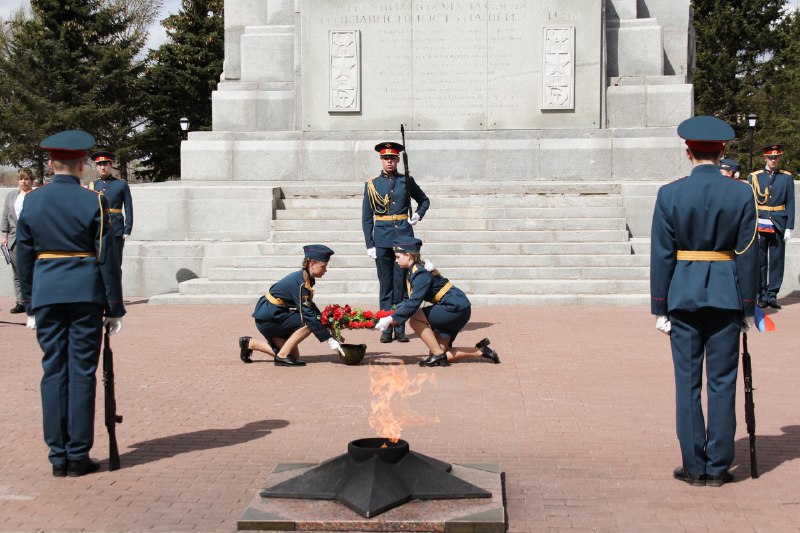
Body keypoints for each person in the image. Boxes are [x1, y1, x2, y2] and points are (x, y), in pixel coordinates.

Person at [650, 116, 758, 488]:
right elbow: (747, 253)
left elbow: (662, 255)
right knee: (722, 383)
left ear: (687, 151)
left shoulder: (670, 194)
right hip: (727, 296)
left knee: (688, 383)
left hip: (682, 296)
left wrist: (660, 307)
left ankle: (695, 465)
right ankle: (718, 468)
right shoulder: (742, 193)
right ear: (723, 150)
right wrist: (748, 306)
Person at [16, 130, 125, 477]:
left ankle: (57, 456)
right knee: (81, 372)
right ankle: (77, 455)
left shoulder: (31, 201)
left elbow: (25, 256)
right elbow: (106, 257)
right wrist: (114, 306)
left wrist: (30, 303)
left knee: (53, 372)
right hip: (85, 293)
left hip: (47, 293)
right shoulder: (92, 200)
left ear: (51, 164)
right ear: (82, 165)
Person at [374, 237, 500, 367]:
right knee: (440, 353)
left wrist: (392, 318)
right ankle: (481, 351)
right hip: (457, 308)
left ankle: (437, 355)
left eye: (398, 257)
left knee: (415, 318)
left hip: (454, 309)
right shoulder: (415, 270)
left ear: (408, 255)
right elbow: (408, 300)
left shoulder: (420, 274)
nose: (396, 260)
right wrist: (389, 314)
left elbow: (413, 303)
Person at [362, 142, 430, 344]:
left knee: (401, 284)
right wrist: (369, 243)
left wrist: (418, 214)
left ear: (398, 159)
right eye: (385, 158)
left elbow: (424, 200)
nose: (389, 161)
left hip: (403, 238)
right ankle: (385, 326)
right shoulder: (372, 184)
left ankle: (399, 326)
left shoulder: (406, 181)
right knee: (386, 286)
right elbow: (367, 216)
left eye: (392, 158)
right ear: (381, 160)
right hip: (382, 238)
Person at [239, 244, 342, 367]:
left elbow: (310, 306)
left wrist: (329, 328)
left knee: (293, 357)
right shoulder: (301, 283)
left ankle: (250, 343)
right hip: (270, 318)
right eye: (323, 266)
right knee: (309, 322)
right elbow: (308, 314)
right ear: (312, 264)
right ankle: (281, 357)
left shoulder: (304, 278)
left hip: (272, 315)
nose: (326, 270)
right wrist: (328, 338)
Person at [748, 144, 795, 309]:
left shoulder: (786, 178)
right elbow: (750, 204)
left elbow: (790, 203)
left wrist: (789, 226)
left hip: (778, 223)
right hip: (760, 222)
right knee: (760, 261)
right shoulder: (755, 177)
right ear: (765, 158)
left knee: (776, 261)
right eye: (770, 157)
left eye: (776, 157)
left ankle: (772, 295)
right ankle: (760, 295)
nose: (773, 160)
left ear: (779, 158)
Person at [88, 150, 133, 265]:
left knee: (116, 262)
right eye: (99, 165)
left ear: (111, 165)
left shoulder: (121, 184)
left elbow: (128, 206)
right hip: (97, 228)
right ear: (96, 167)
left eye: (105, 164)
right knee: (98, 261)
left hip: (116, 228)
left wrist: (127, 227)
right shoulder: (93, 185)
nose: (102, 167)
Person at [1, 168, 34, 313]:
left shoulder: (36, 195)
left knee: (32, 271)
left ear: (32, 181)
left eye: (26, 179)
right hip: (15, 239)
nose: (23, 181)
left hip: (33, 238)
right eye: (21, 179)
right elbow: (5, 216)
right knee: (17, 272)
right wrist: (4, 236)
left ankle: (34, 301)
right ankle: (21, 301)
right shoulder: (11, 195)